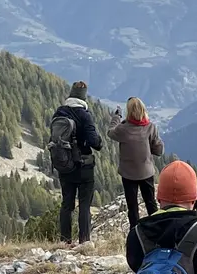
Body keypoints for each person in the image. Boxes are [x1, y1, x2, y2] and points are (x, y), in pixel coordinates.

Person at [49, 82, 104, 245]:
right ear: (83, 97)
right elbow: (94, 142)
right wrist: (99, 141)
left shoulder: (60, 112)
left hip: (65, 164)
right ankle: (84, 241)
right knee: (85, 204)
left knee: (67, 204)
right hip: (83, 166)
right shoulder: (84, 115)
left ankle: (65, 240)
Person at [107, 97, 164, 226]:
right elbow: (159, 150)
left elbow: (110, 132)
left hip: (128, 174)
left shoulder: (123, 129)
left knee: (132, 207)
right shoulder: (150, 127)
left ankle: (135, 232)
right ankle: (157, 229)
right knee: (151, 203)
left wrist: (117, 117)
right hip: (146, 172)